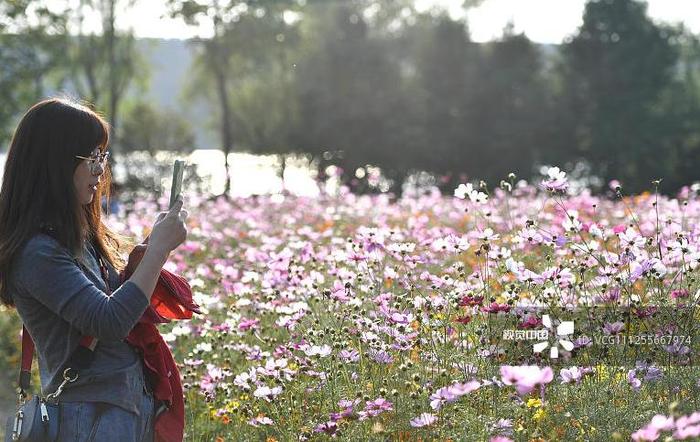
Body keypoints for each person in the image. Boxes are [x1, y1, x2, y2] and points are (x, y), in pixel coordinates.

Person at [0, 98, 188, 441]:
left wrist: (142, 259)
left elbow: (116, 307)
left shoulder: (78, 239)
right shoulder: (38, 253)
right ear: (54, 163)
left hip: (122, 413)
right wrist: (158, 252)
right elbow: (110, 320)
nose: (100, 170)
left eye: (102, 156)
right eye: (91, 157)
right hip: (90, 422)